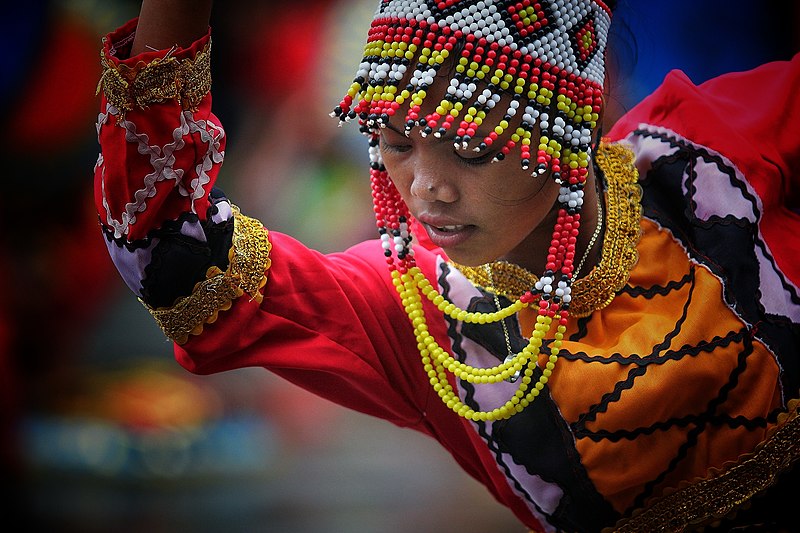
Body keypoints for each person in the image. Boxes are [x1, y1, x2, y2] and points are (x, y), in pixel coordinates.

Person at [93, 0, 800, 530]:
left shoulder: (702, 164)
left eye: (470, 149)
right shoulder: (421, 311)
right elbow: (169, 256)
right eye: (396, 143)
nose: (427, 189)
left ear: (571, 132)